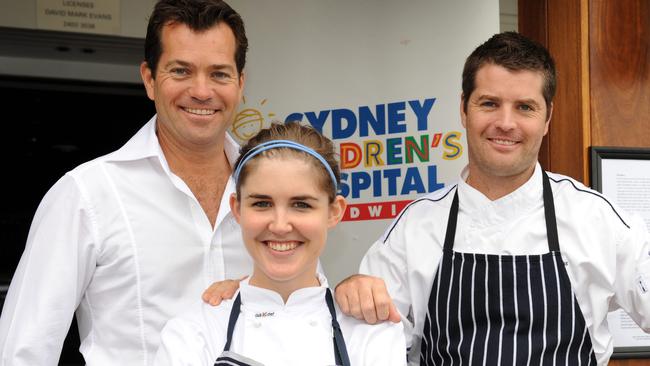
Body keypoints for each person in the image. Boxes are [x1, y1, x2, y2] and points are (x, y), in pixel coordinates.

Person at [334, 32, 650, 365]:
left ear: (547, 118)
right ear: (463, 109)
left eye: (525, 107)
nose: (505, 123)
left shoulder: (595, 218)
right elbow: (370, 346)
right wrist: (354, 290)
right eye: (489, 103)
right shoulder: (414, 229)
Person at [0, 1, 252, 364]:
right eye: (181, 71)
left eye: (219, 74)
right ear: (149, 79)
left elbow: (308, 310)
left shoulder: (274, 188)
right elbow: (25, 351)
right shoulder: (87, 195)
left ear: (241, 84)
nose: (201, 90)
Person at [154, 122, 406, 366]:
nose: (280, 225)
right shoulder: (193, 333)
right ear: (237, 209)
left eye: (301, 205)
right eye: (262, 203)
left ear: (334, 212)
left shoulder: (371, 331)